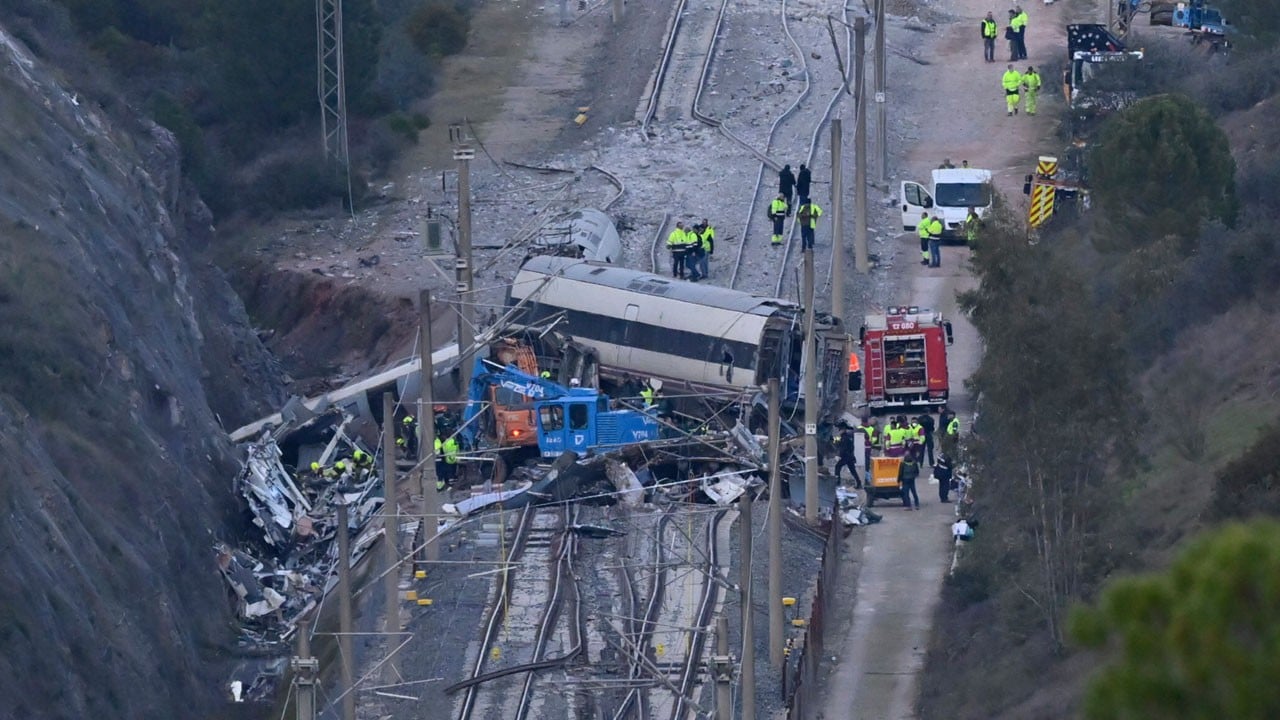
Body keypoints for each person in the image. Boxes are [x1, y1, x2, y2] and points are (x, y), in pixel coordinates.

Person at [834, 423, 861, 488]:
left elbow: (842, 447)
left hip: (845, 456)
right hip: (850, 456)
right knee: (852, 470)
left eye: (840, 430)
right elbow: (837, 444)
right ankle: (858, 483)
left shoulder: (844, 437)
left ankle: (837, 482)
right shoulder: (847, 436)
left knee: (837, 467)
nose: (839, 431)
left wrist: (839, 456)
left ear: (843, 430)